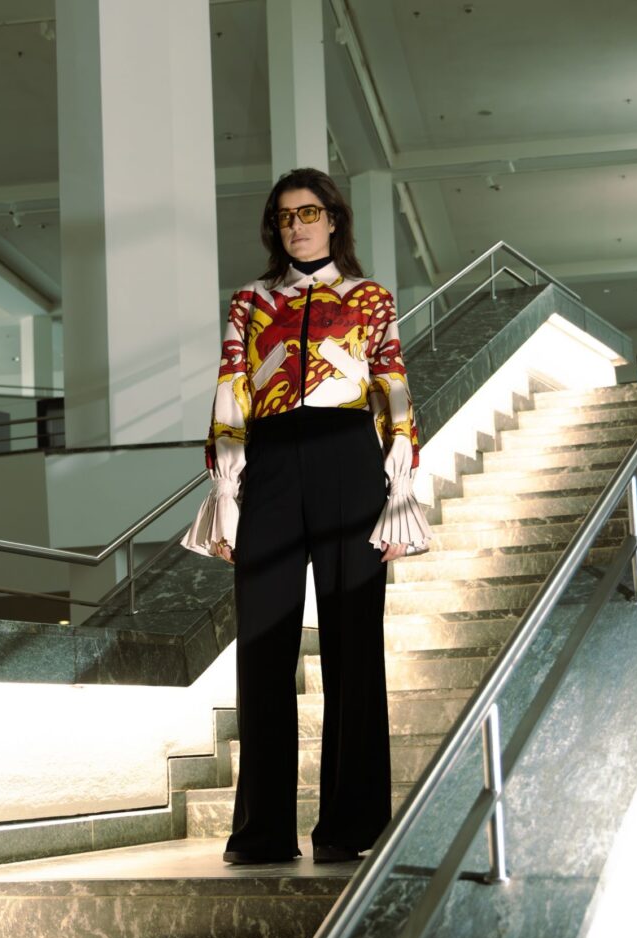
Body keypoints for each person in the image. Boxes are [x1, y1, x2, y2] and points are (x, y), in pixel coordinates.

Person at [182, 167, 431, 865]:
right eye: (286, 216)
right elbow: (232, 387)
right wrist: (226, 493)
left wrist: (400, 490)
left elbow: (392, 384)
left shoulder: (370, 298)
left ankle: (352, 826)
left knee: (354, 643)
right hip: (269, 464)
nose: (297, 226)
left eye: (309, 212)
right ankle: (262, 831)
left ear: (333, 219)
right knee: (263, 643)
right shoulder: (251, 301)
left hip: (350, 458)